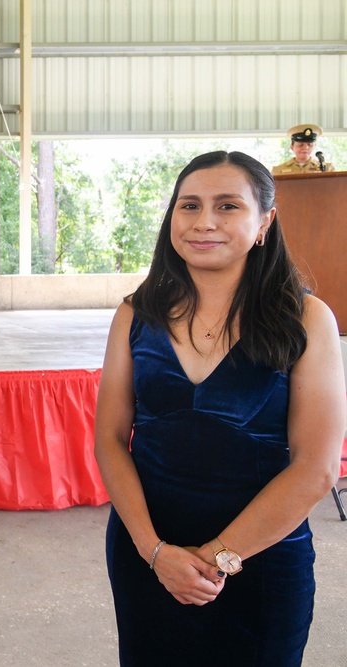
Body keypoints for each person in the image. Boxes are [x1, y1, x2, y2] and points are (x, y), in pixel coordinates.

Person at [95, 151, 345, 665]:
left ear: (264, 222)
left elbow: (316, 470)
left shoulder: (306, 319)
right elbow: (110, 440)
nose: (204, 222)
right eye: (189, 206)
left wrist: (214, 562)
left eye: (228, 206)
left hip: (261, 562)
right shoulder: (135, 314)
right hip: (146, 553)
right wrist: (156, 553)